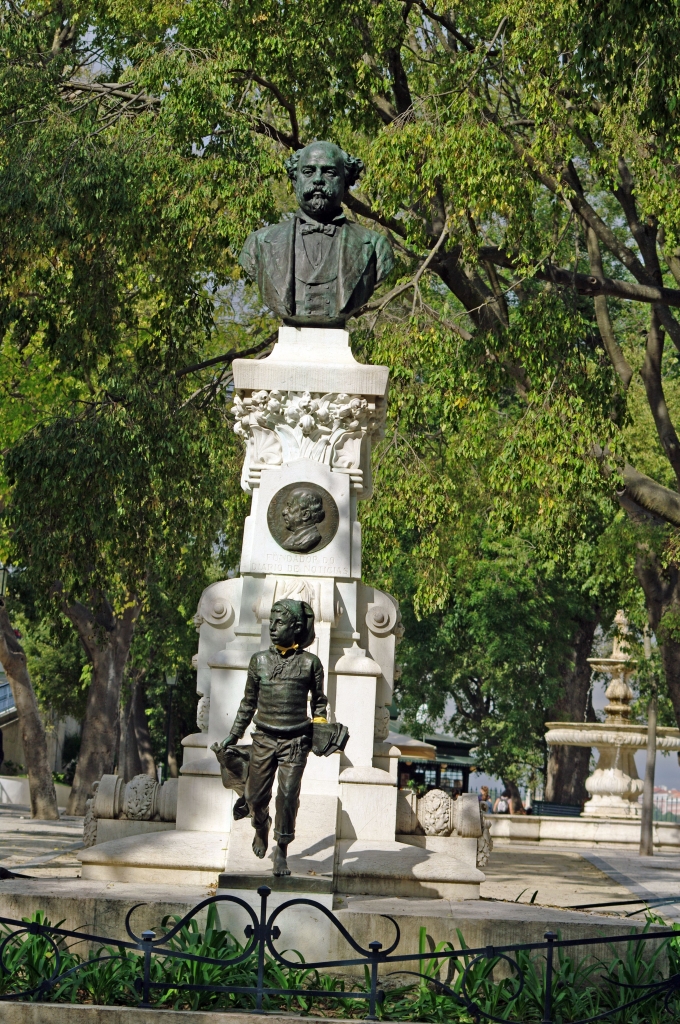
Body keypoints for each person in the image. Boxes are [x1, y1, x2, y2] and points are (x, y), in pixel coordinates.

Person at [212, 599, 327, 877]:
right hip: (263, 738)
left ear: (296, 627)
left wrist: (321, 731)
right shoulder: (259, 661)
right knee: (253, 797)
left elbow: (319, 704)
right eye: (271, 622)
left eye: (279, 623)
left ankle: (282, 851)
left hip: (295, 742)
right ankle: (261, 826)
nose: (273, 628)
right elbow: (248, 703)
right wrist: (233, 735)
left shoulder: (311, 663)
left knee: (287, 796)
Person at [239, 141, 394, 327]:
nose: (318, 179)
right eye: (308, 172)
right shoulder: (259, 243)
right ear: (295, 180)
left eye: (330, 172)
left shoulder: (375, 246)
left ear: (345, 182)